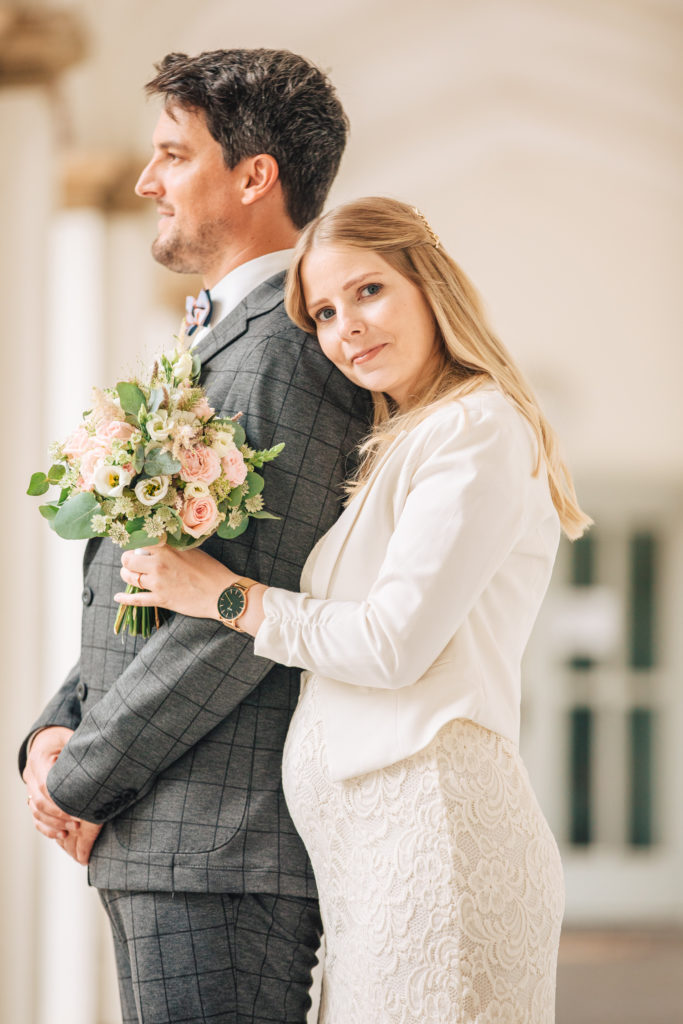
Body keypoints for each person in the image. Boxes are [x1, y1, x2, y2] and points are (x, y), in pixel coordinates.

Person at [116, 196, 592, 1023]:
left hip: (433, 841)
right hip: (372, 856)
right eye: (325, 313)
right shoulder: (405, 439)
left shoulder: (476, 428)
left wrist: (222, 594)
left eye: (368, 292)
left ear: (427, 284)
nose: (347, 329)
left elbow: (389, 645)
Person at [19, 49, 371, 1024]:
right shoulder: (216, 340)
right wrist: (55, 726)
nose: (144, 182)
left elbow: (236, 611)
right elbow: (146, 574)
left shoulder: (288, 350)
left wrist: (82, 773)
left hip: (221, 843)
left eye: (172, 155)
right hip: (168, 832)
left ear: (253, 176)